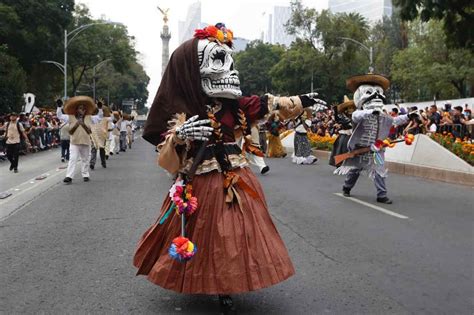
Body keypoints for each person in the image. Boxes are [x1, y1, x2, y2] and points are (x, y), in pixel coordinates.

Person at [133, 23, 325, 312]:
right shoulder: (183, 111)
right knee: (205, 232)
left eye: (229, 61)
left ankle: (226, 283)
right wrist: (181, 136)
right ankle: (202, 276)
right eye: (219, 61)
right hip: (201, 181)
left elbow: (265, 104)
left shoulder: (235, 106)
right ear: (192, 71)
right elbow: (167, 159)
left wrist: (300, 100)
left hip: (236, 177)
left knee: (233, 233)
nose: (230, 71)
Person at [335, 73, 409, 204]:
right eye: (369, 92)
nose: (376, 95)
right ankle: (346, 187)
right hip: (361, 149)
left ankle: (382, 195)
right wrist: (370, 112)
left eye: (379, 92)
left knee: (379, 170)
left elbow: (394, 121)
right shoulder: (360, 113)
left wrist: (409, 117)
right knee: (355, 170)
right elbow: (356, 116)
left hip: (376, 150)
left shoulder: (382, 115)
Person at [56, 96, 100, 184]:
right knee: (73, 159)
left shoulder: (89, 117)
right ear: (76, 109)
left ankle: (85, 174)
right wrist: (59, 106)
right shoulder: (70, 117)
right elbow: (59, 116)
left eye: (84, 109)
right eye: (80, 108)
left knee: (85, 159)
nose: (82, 110)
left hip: (85, 141)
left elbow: (99, 117)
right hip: (74, 142)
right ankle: (69, 176)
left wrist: (99, 107)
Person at [329, 97, 355, 167]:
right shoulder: (343, 116)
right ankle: (340, 164)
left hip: (353, 135)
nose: (351, 109)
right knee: (342, 147)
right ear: (346, 109)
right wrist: (335, 110)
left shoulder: (355, 116)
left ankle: (351, 165)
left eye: (352, 108)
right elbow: (339, 120)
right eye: (349, 108)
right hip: (344, 134)